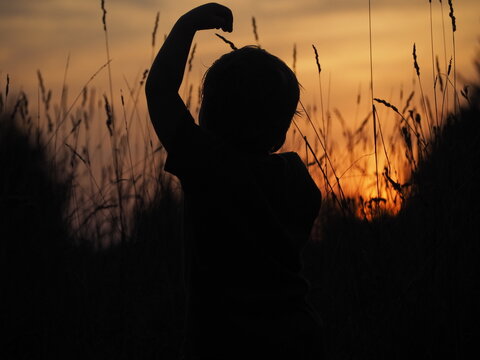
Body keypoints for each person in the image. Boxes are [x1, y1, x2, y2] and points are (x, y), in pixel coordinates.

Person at [145, 3, 323, 359]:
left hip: (220, 340)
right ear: (280, 131)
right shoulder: (297, 181)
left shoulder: (209, 165)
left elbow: (160, 90)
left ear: (207, 114)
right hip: (295, 336)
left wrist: (186, 25)